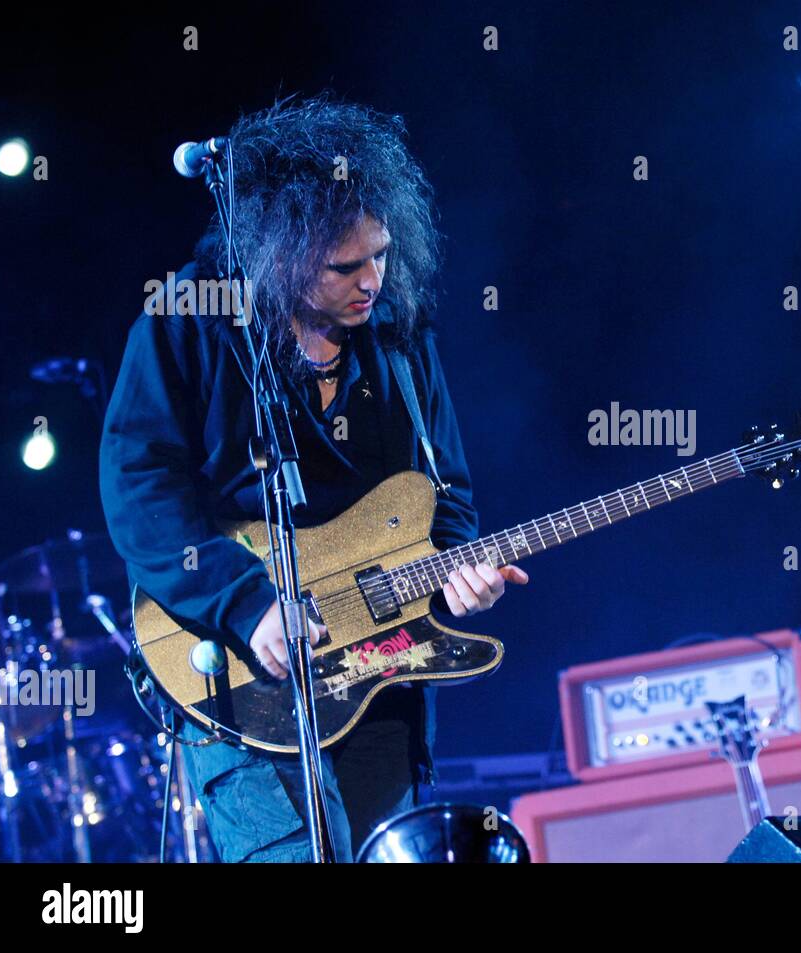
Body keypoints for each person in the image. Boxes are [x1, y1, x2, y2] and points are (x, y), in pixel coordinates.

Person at [99, 95, 528, 862]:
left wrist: (454, 574)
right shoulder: (186, 322)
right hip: (234, 669)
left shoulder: (397, 335)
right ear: (283, 253)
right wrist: (246, 601)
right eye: (345, 266)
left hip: (378, 668)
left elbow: (445, 491)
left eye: (384, 255)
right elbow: (140, 487)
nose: (373, 280)